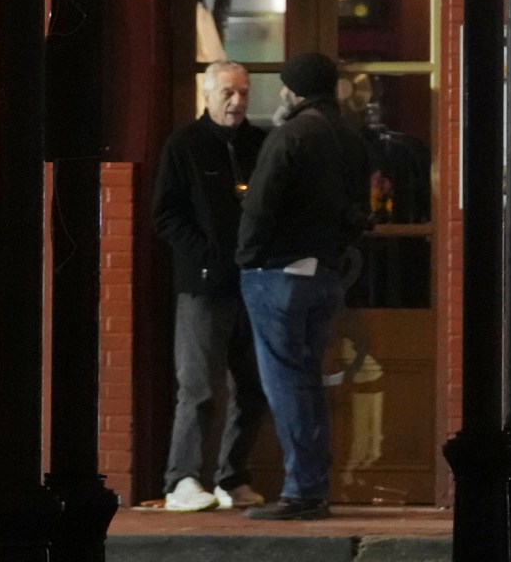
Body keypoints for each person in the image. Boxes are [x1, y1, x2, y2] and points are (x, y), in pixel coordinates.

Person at [236, 51, 372, 521]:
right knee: (307, 380)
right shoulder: (350, 139)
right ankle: (313, 486)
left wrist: (248, 259)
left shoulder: (290, 135)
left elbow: (260, 203)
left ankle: (302, 490)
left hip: (279, 272)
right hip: (326, 272)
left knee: (286, 384)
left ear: (292, 90)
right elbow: (359, 209)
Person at [150, 61, 269, 513]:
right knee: (198, 387)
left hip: (254, 285)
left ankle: (231, 476)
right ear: (207, 94)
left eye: (243, 93)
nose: (237, 102)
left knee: (254, 388)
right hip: (202, 288)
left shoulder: (261, 143)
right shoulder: (184, 145)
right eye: (228, 93)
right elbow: (166, 216)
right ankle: (181, 479)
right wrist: (207, 256)